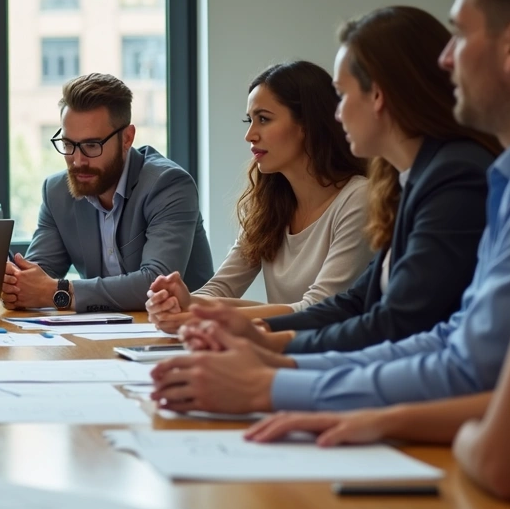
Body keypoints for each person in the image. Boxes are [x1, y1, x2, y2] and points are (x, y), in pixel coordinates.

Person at [149, 0, 510, 416]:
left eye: (343, 95)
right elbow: (363, 306)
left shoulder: (458, 177)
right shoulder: (418, 179)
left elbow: (403, 328)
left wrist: (273, 369)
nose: (448, 59)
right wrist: (262, 341)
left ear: (379, 96)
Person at [247, 0, 510, 505]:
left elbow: (491, 422)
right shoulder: (502, 175)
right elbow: (450, 339)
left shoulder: (503, 175)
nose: (446, 59)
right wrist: (272, 354)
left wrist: (282, 378)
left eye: (461, 33)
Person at [152, 7, 502, 354]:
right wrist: (246, 330)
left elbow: (392, 324)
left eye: (343, 95)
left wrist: (268, 353)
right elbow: (354, 304)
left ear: (377, 96)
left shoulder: (445, 178)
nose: (337, 113)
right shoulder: (407, 181)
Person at [146, 61, 372, 329]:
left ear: (307, 125)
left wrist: (199, 311)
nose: (249, 135)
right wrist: (179, 304)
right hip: (281, 352)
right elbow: (220, 288)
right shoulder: (271, 204)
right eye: (249, 120)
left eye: (263, 119)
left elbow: (317, 309)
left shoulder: (359, 199)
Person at [2, 73, 213, 313]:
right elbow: (36, 278)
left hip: (184, 335)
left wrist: (58, 292)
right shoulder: (57, 192)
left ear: (127, 138)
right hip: (99, 337)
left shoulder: (169, 185)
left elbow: (156, 284)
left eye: (92, 145)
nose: (77, 161)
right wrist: (16, 286)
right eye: (69, 144)